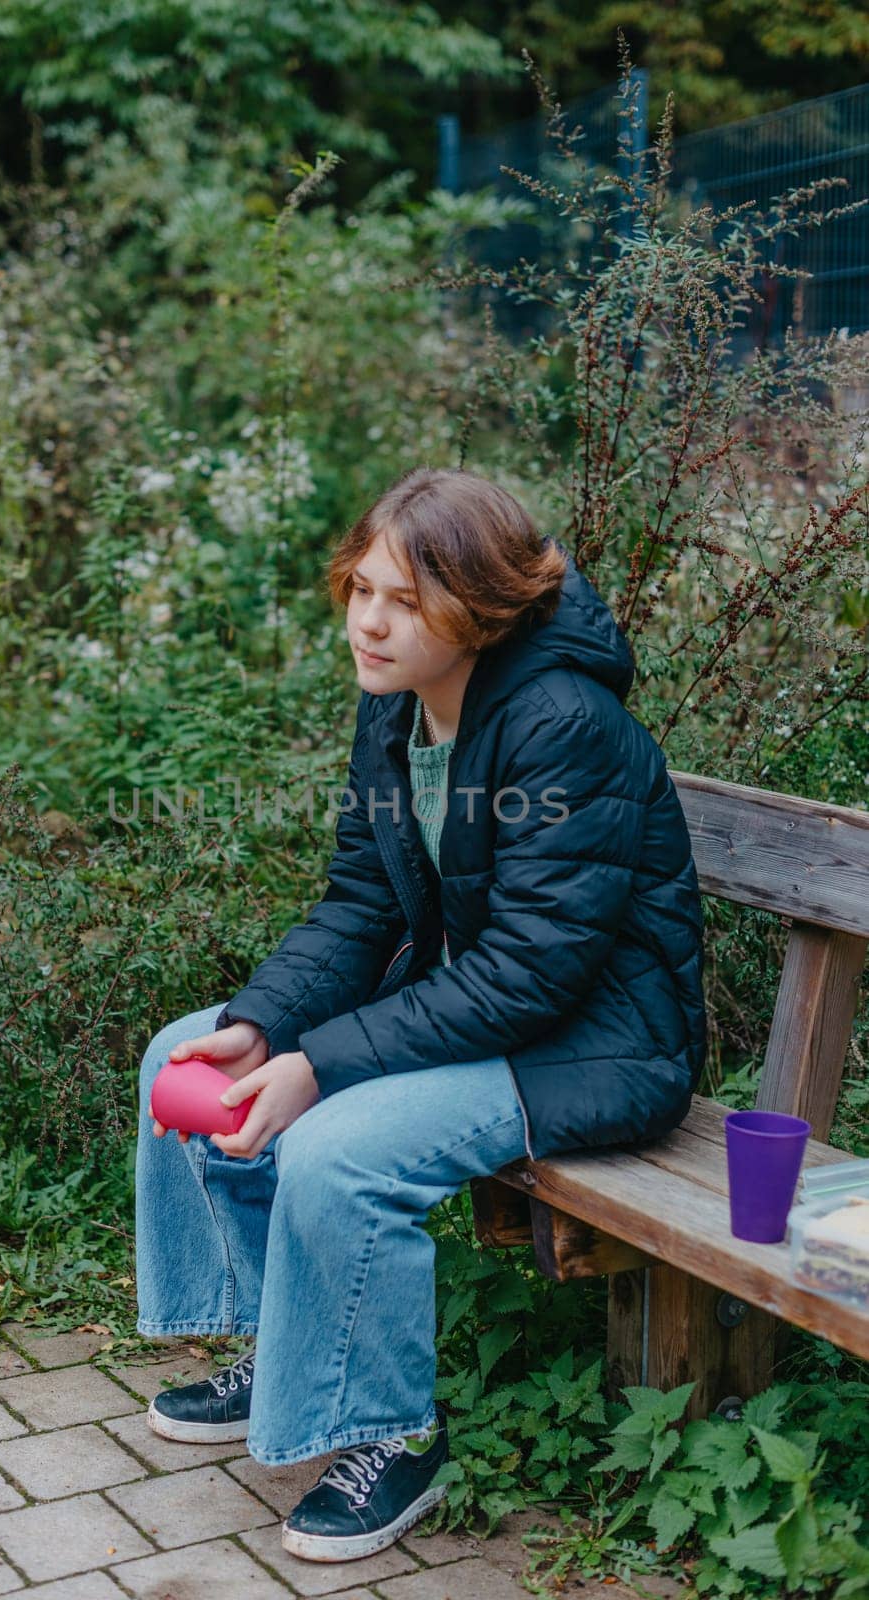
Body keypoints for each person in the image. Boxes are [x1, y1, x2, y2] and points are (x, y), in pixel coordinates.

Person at [134, 466, 707, 1564]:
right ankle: (280, 1341)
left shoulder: (562, 722)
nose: (370, 620)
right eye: (362, 589)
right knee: (185, 1052)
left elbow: (534, 973)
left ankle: (392, 1431)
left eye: (405, 598)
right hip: (488, 1012)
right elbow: (361, 904)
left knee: (340, 1148)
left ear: (480, 605)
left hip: (595, 1042)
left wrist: (324, 1068)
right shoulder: (396, 707)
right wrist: (265, 1022)